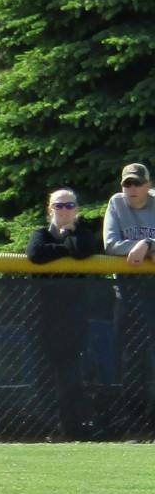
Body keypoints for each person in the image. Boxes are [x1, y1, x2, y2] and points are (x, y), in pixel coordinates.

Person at [24, 188, 100, 440]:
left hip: (74, 319)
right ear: (50, 209)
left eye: (69, 206)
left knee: (72, 378)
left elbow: (82, 249)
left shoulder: (84, 234)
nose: (64, 210)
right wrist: (66, 244)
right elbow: (36, 253)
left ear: (76, 209)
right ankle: (46, 430)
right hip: (43, 318)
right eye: (59, 206)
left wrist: (64, 242)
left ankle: (72, 430)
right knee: (42, 377)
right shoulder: (40, 234)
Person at [104, 162, 155, 436]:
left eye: (137, 183)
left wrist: (147, 244)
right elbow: (110, 244)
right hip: (129, 291)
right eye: (127, 184)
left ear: (148, 185)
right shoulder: (116, 204)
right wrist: (140, 248)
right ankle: (136, 427)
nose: (132, 189)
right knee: (132, 359)